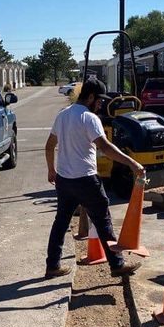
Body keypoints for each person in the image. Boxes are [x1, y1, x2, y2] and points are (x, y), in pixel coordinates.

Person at [44, 77, 145, 278]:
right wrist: (133, 163)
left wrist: (51, 170)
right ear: (90, 97)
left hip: (64, 180)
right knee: (103, 219)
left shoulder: (62, 115)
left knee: (61, 222)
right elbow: (106, 147)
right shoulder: (89, 119)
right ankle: (117, 265)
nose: (100, 104)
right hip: (86, 179)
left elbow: (49, 145)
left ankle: (52, 265)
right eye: (99, 100)